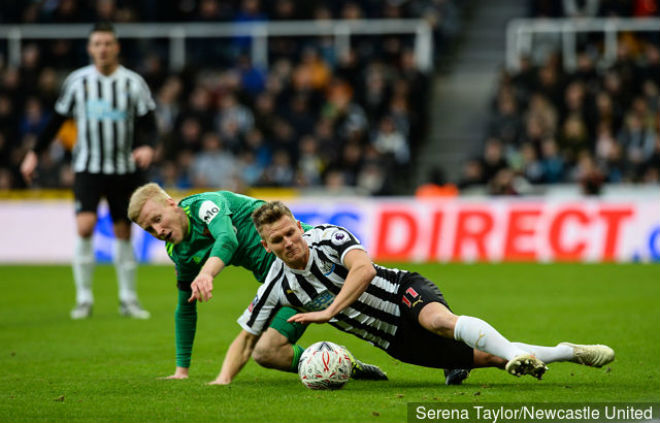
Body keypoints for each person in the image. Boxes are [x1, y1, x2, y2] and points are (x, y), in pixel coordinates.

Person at [214, 201, 615, 384]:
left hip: (402, 292)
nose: (288, 243)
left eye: (290, 232)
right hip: (394, 340)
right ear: (266, 247)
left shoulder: (331, 237)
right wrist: (224, 381)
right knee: (491, 358)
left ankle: (514, 355)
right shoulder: (277, 287)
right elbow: (247, 337)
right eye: (277, 240)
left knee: (439, 321)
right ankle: (566, 351)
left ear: (299, 226)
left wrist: (327, 312)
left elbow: (365, 270)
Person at [127, 182, 388, 381]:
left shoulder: (204, 206)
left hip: (311, 258)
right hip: (286, 286)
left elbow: (227, 239)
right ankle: (341, 365)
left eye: (157, 219)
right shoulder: (179, 251)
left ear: (172, 204)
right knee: (267, 353)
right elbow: (185, 306)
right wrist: (181, 370)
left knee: (386, 310)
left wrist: (207, 273)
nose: (157, 231)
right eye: (148, 229)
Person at [20, 22, 156, 320]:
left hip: (124, 169)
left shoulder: (133, 83)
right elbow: (55, 121)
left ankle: (128, 299)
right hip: (88, 168)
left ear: (116, 47)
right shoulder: (77, 82)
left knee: (123, 232)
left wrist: (149, 146)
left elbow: (149, 122)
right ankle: (83, 298)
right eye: (98, 43)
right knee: (84, 226)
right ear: (90, 48)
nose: (103, 48)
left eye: (108, 43)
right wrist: (34, 154)